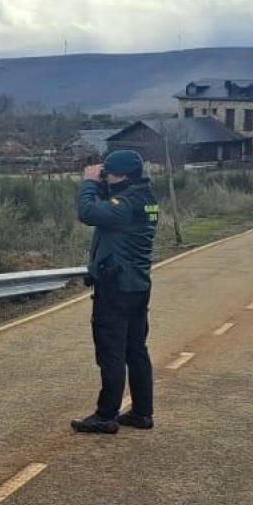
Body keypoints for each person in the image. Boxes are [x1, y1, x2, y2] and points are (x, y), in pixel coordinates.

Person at [71, 149, 160, 434]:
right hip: (138, 285)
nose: (104, 176)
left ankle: (106, 415)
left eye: (108, 172)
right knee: (136, 350)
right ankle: (142, 412)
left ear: (121, 175)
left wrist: (88, 183)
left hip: (116, 288)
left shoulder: (125, 205)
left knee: (111, 351)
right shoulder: (147, 199)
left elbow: (87, 212)